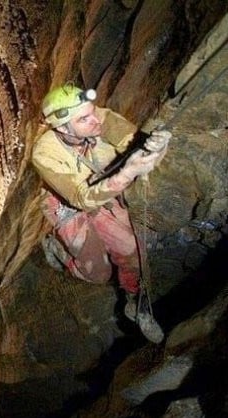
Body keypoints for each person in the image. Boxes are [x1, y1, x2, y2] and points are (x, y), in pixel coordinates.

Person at [31, 83, 171, 343]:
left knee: (132, 249)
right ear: (62, 128)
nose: (96, 120)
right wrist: (127, 172)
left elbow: (138, 147)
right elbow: (81, 199)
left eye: (92, 111)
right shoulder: (44, 153)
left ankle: (135, 302)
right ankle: (60, 252)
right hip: (68, 204)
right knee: (99, 274)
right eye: (84, 119)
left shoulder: (102, 120)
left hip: (103, 192)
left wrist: (156, 149)